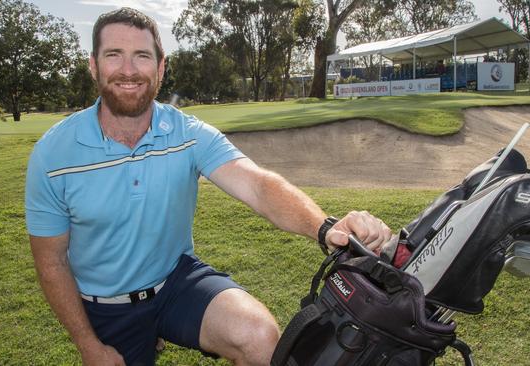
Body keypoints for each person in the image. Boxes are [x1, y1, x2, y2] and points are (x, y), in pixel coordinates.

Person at [25, 7, 393, 366]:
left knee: (259, 337)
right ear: (93, 65)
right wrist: (88, 345)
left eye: (141, 56)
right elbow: (52, 261)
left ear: (161, 66)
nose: (128, 70)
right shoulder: (54, 154)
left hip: (174, 281)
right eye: (114, 55)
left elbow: (258, 185)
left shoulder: (186, 133)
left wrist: (325, 227)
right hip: (106, 306)